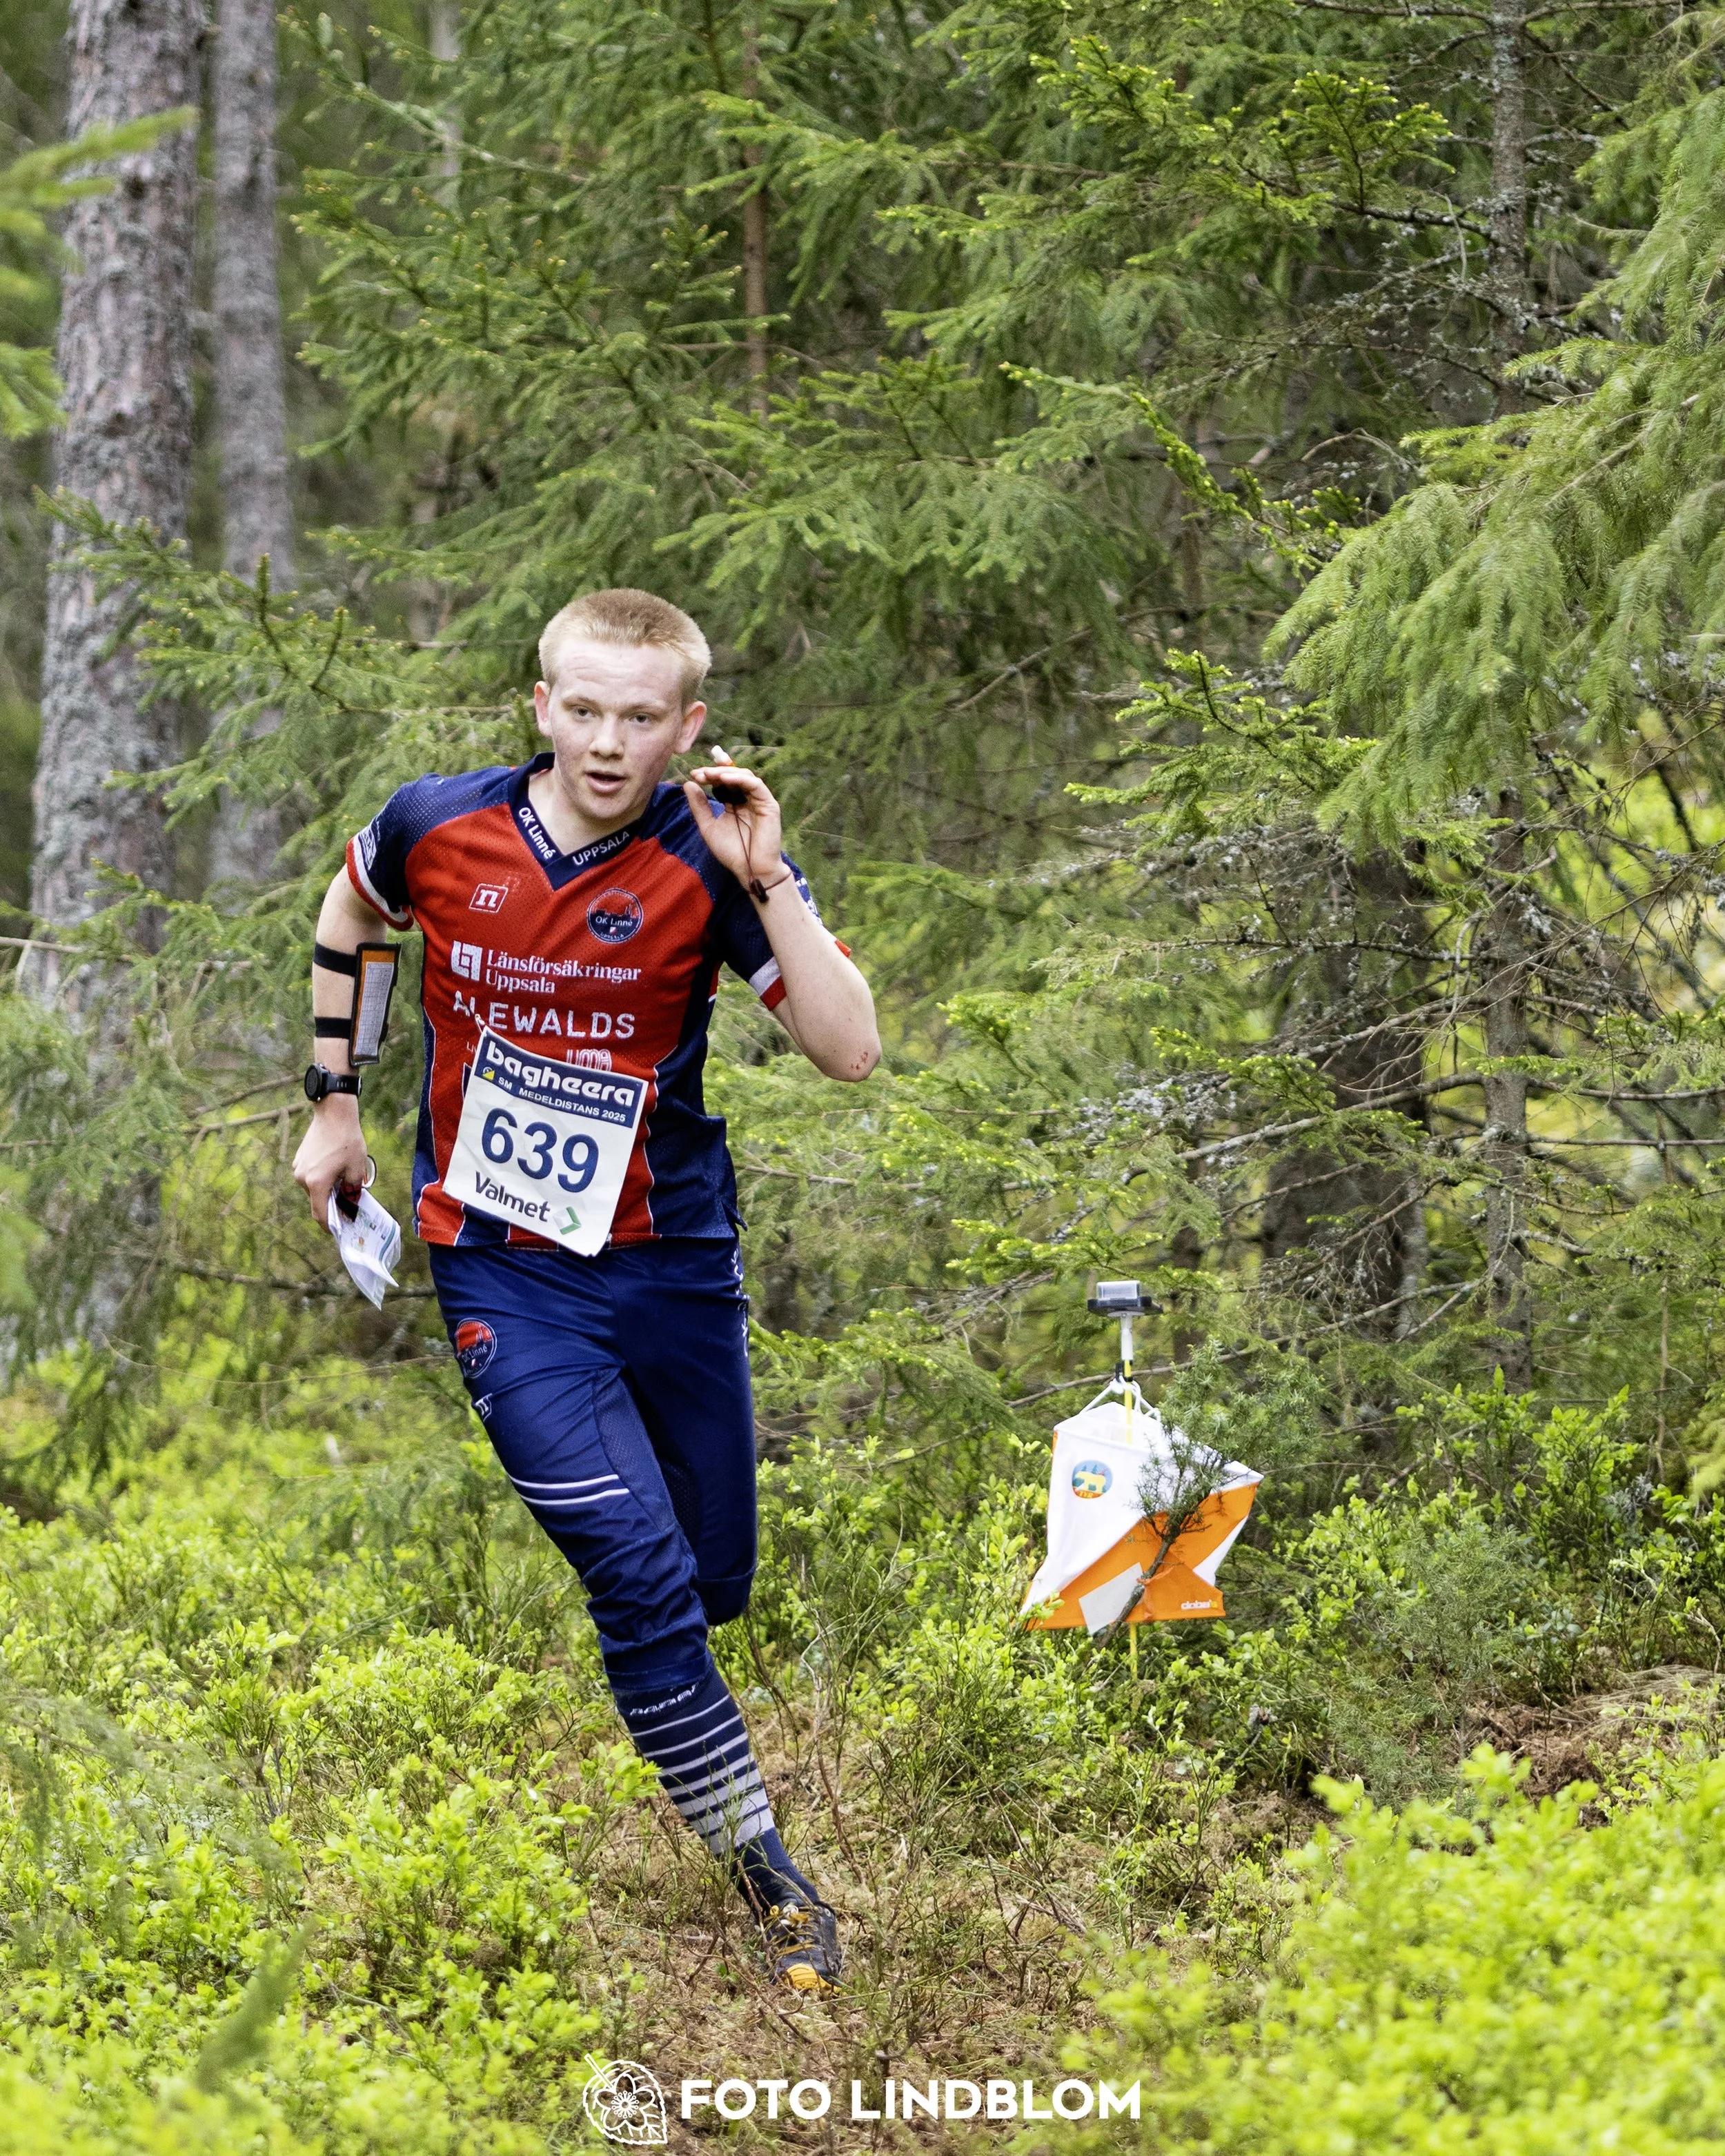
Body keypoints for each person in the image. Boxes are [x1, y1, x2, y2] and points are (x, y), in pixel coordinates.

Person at [292, 588, 879, 1991]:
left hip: (670, 1263)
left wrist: (770, 878)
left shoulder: (704, 852)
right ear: (540, 705)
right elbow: (353, 909)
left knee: (709, 1577)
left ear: (684, 728)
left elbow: (849, 1050)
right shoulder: (438, 824)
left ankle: (685, 1701)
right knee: (637, 1575)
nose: (609, 743)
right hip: (502, 1266)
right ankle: (774, 1883)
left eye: (642, 717)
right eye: (586, 709)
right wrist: (331, 1099)